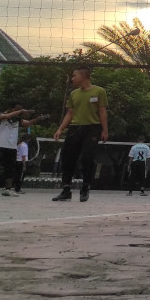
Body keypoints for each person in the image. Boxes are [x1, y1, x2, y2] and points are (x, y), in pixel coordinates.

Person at [52, 66, 108, 203]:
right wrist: (60, 129)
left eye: (74, 76)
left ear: (83, 76)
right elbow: (69, 113)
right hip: (75, 128)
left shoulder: (99, 91)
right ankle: (66, 190)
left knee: (87, 158)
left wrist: (105, 130)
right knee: (67, 158)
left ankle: (85, 187)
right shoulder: (74, 94)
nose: (72, 79)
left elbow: (102, 111)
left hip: (92, 128)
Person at [0, 103, 46, 196]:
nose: (19, 112)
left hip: (12, 146)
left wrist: (37, 119)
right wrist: (21, 111)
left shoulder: (17, 119)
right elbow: (5, 116)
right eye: (17, 109)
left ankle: (7, 189)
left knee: (10, 169)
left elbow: (27, 123)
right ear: (11, 108)